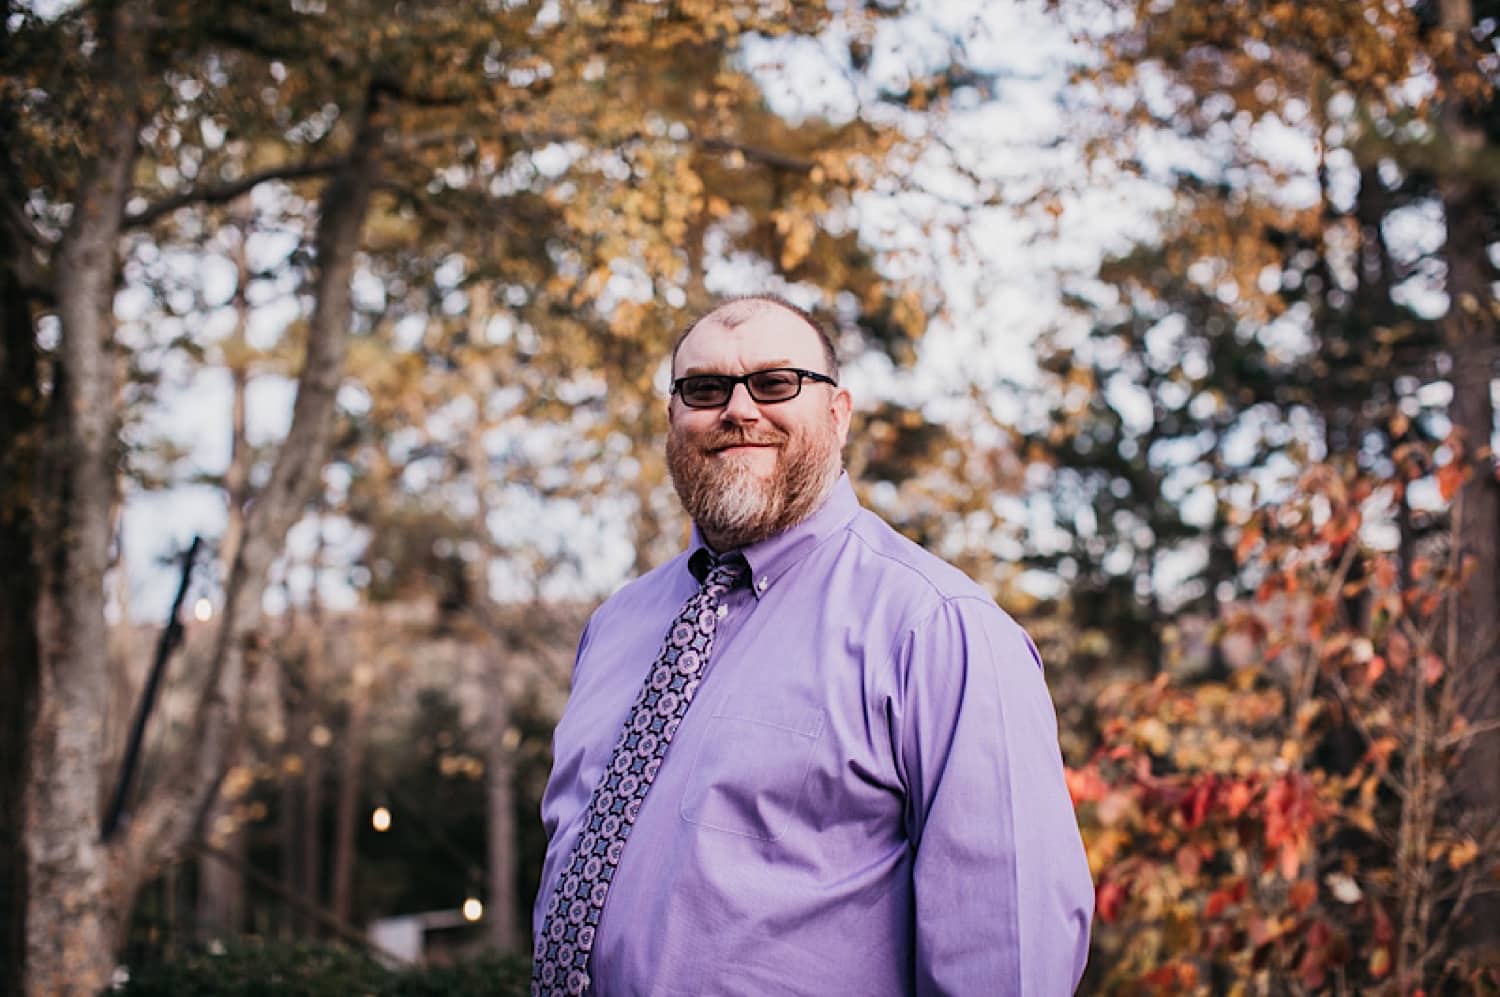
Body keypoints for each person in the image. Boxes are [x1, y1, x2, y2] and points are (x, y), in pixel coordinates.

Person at [532, 295, 1093, 996]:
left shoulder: (938, 628)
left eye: (775, 383)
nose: (737, 409)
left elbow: (1007, 958)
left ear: (839, 413)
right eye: (704, 389)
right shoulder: (615, 626)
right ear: (673, 418)